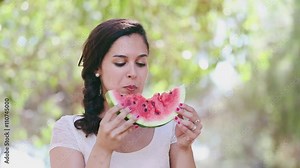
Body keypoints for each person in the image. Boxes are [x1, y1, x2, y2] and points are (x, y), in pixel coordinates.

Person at [49, 18, 202, 168]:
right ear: (97, 67)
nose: (133, 73)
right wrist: (103, 149)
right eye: (120, 63)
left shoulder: (169, 130)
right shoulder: (69, 131)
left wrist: (184, 148)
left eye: (141, 63)